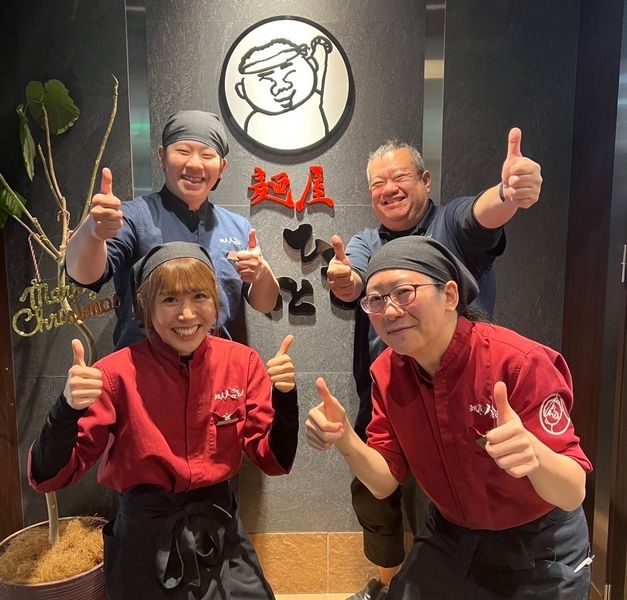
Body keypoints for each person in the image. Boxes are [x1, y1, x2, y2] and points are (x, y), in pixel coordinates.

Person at [308, 236, 592, 600]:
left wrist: (534, 455)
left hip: (538, 544)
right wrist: (346, 439)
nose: (389, 311)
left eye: (404, 292)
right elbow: (383, 483)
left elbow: (572, 492)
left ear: (450, 296)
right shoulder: (388, 373)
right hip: (451, 536)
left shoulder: (519, 363)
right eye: (375, 300)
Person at [325, 128, 543, 600]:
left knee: (443, 496)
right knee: (376, 493)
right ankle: (391, 585)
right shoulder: (366, 241)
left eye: (399, 177)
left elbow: (482, 214)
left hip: (462, 397)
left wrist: (507, 194)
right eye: (378, 183)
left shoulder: (451, 223)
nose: (388, 188)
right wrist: (346, 282)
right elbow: (354, 278)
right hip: (389, 393)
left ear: (425, 181)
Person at [29, 241, 298, 600]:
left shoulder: (242, 363)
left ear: (215, 302)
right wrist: (66, 408)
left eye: (199, 296)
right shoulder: (115, 374)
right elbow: (50, 476)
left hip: (220, 533)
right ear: (146, 308)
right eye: (169, 299)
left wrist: (286, 398)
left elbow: (274, 460)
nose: (187, 314)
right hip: (144, 538)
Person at [65, 110, 279, 350]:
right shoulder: (133, 217)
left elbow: (265, 304)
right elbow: (83, 276)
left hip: (222, 369)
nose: (195, 164)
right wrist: (92, 233)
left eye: (207, 155)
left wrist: (261, 273)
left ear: (221, 167)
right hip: (147, 369)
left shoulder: (238, 227)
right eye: (183, 151)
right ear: (162, 157)